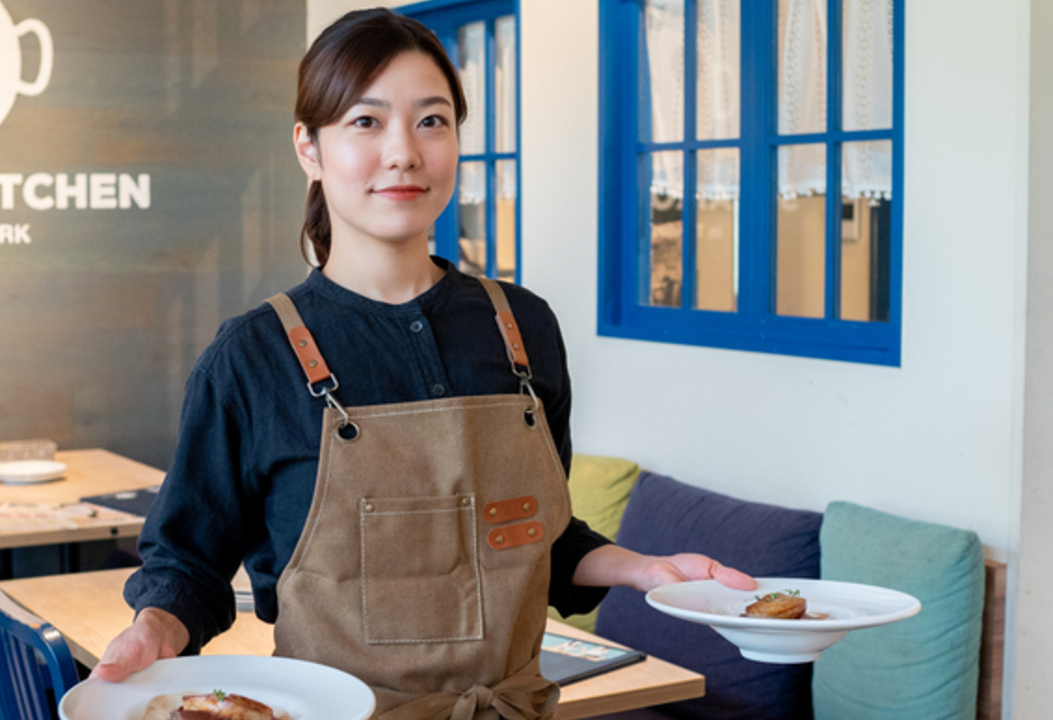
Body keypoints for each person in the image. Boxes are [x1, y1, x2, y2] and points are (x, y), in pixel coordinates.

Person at [93, 8, 754, 719]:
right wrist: (153, 628)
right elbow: (188, 564)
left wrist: (646, 569)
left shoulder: (522, 328)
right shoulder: (251, 358)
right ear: (309, 149)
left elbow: (535, 540)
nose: (404, 152)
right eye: (366, 122)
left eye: (432, 121)